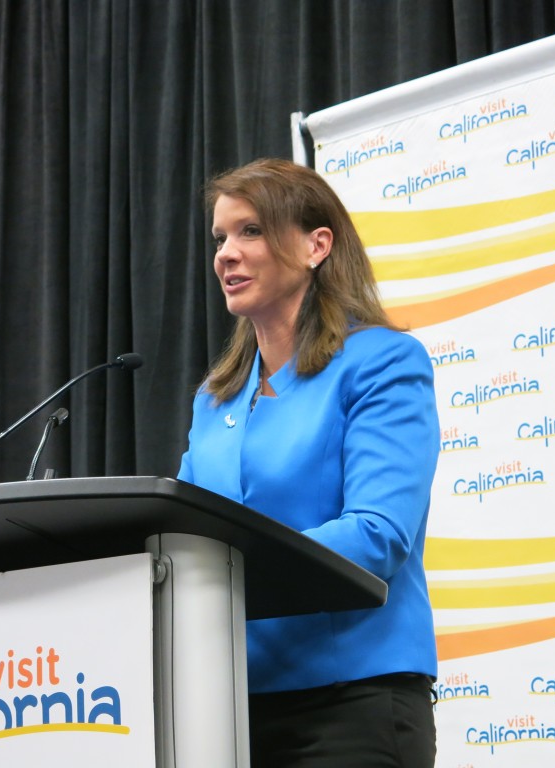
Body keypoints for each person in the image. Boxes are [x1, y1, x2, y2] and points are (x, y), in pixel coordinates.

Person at [177, 158, 440, 767]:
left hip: (352, 703)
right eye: (220, 237)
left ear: (316, 245)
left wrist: (227, 575)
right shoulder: (214, 400)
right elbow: (186, 540)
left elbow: (378, 534)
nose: (226, 254)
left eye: (251, 231)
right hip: (224, 711)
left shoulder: (382, 362)